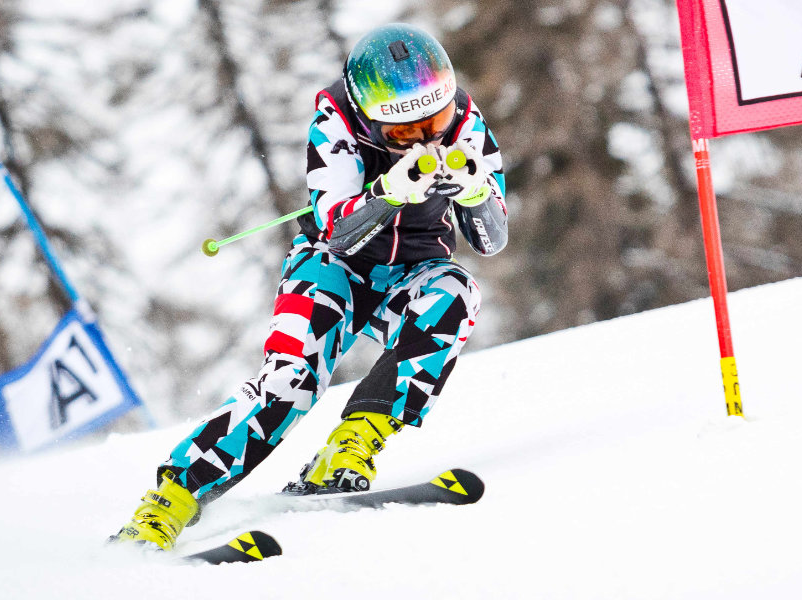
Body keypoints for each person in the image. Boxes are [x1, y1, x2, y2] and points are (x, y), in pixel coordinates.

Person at [110, 23, 508, 551]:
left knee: (457, 295)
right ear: (371, 117)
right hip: (331, 269)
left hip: (413, 273)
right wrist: (388, 193)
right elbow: (338, 234)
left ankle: (347, 448)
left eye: (433, 120)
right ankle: (170, 501)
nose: (425, 138)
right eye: (405, 133)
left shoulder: (465, 124)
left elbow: (490, 240)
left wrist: (477, 191)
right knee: (289, 384)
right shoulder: (335, 123)